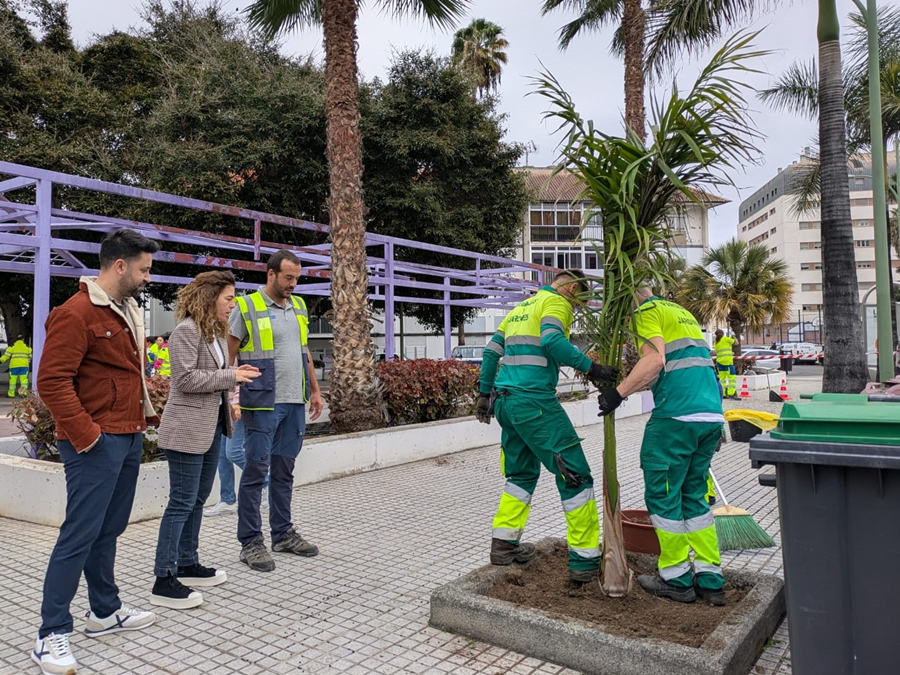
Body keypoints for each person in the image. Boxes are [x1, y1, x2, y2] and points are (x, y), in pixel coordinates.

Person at [33, 228, 161, 675]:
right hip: (95, 442)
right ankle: (50, 634)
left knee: (109, 529)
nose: (148, 277)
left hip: (127, 434)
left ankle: (104, 611)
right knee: (80, 534)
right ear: (120, 266)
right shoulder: (75, 312)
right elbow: (51, 381)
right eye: (144, 269)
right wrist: (88, 437)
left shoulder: (124, 310)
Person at [476, 270, 618, 583]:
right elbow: (552, 340)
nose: (576, 306)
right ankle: (584, 560)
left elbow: (490, 352)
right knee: (576, 475)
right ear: (572, 287)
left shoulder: (520, 309)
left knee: (521, 475)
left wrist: (484, 395)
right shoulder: (556, 303)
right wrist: (592, 369)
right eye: (579, 299)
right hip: (535, 403)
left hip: (505, 403)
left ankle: (503, 545)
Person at [597, 287, 726, 606]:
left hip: (676, 418)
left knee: (664, 496)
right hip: (710, 416)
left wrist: (618, 393)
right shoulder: (680, 313)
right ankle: (710, 578)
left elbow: (654, 360)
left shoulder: (646, 311)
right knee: (693, 495)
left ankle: (676, 577)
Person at [150, 271, 260, 609]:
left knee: (197, 499)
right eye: (229, 298)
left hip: (211, 427)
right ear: (210, 298)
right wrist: (232, 376)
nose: (233, 305)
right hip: (186, 430)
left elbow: (212, 377)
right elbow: (185, 380)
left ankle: (187, 563)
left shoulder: (215, 332)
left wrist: (231, 397)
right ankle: (163, 578)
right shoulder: (186, 330)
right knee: (181, 502)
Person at [228, 249, 324, 572]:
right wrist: (231, 398)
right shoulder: (246, 307)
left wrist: (315, 390)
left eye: (296, 278)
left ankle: (282, 534)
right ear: (271, 274)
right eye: (288, 278)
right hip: (261, 402)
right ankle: (250, 542)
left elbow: (303, 350)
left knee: (284, 471)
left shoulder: (298, 306)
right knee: (256, 471)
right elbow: (229, 357)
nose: (293, 284)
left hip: (294, 402)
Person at [713, 329, 737, 399]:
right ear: (723, 333)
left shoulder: (716, 342)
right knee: (731, 378)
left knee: (722, 379)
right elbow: (736, 343)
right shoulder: (726, 339)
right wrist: (733, 335)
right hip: (728, 362)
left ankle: (722, 394)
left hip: (719, 362)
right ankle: (731, 393)